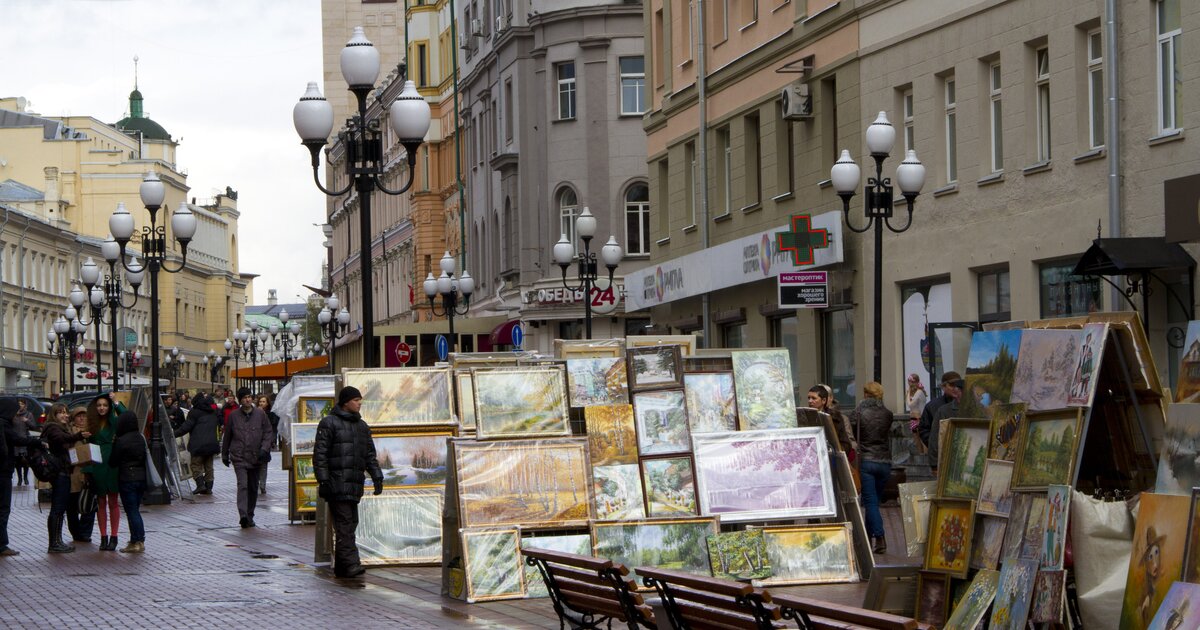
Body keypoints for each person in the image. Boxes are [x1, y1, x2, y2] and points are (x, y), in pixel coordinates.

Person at [314, 386, 383, 578]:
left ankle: (342, 567)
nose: (359, 403)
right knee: (345, 524)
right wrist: (324, 479)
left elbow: (370, 454)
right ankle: (352, 563)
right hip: (337, 484)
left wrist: (377, 476)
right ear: (345, 402)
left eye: (360, 400)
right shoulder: (329, 423)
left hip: (354, 484)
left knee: (351, 523)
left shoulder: (362, 426)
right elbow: (320, 455)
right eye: (356, 400)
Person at [848, 381, 894, 554]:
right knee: (873, 503)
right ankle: (868, 538)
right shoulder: (888, 414)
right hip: (885, 462)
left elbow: (852, 433)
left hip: (866, 461)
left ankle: (880, 537)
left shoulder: (858, 412)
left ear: (866, 394)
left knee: (870, 502)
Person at [40, 403, 90, 553]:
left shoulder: (58, 428)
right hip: (59, 472)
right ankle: (54, 543)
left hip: (63, 471)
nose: (65, 415)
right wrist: (79, 435)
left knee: (60, 509)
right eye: (61, 413)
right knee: (58, 508)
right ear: (54, 415)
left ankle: (57, 540)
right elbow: (62, 439)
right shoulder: (53, 428)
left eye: (66, 412)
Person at [221, 387, 273, 528]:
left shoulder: (260, 414)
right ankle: (243, 515)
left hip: (256, 456)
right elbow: (228, 436)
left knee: (252, 487)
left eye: (249, 397)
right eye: (244, 397)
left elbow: (268, 432)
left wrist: (264, 448)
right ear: (240, 399)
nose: (247, 399)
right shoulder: (233, 416)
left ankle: (250, 515)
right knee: (242, 485)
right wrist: (224, 454)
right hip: (239, 456)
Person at [0, 398, 43, 556]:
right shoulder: (4, 425)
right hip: (3, 472)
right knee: (3, 508)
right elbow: (17, 439)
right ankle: (2, 545)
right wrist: (37, 442)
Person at [107, 410, 148, 553]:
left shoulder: (121, 440)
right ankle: (135, 539)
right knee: (135, 510)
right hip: (141, 477)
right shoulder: (141, 438)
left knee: (132, 511)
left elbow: (113, 461)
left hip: (127, 478)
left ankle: (138, 540)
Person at [85, 394, 122, 551]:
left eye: (105, 405)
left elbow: (124, 414)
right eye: (99, 405)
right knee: (101, 502)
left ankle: (114, 536)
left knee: (113, 501)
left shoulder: (113, 421)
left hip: (112, 463)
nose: (101, 408)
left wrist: (115, 402)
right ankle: (103, 537)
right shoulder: (92, 422)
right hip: (98, 463)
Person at [174, 393, 221, 495]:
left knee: (195, 465)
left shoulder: (194, 412)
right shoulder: (212, 412)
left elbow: (186, 427)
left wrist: (173, 434)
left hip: (198, 444)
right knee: (209, 466)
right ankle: (209, 488)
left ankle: (200, 485)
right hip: (212, 444)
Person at [917, 371, 962, 474]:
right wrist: (938, 445)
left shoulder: (967, 404)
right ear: (943, 387)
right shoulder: (932, 406)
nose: (955, 388)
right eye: (952, 385)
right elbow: (924, 430)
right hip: (943, 456)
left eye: (958, 385)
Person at [66, 404, 96, 544]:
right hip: (74, 474)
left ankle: (85, 533)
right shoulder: (69, 432)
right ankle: (76, 533)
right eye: (79, 416)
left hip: (89, 474)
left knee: (89, 505)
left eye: (84, 416)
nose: (82, 418)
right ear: (74, 418)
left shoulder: (93, 431)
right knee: (72, 506)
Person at [806, 385, 855, 456]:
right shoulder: (806, 416)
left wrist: (835, 453)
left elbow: (846, 443)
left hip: (831, 459)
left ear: (823, 400)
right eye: (809, 398)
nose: (810, 401)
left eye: (814, 398)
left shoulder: (835, 418)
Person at [11, 399, 40, 486]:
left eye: (22, 404)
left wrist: (26, 420)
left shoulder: (29, 414)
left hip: (25, 440)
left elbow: (34, 426)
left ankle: (25, 477)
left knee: (26, 461)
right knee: (17, 461)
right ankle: (19, 478)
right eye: (19, 404)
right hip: (16, 440)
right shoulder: (13, 414)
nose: (20, 405)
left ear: (25, 406)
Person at [256, 394, 279, 495]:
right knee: (255, 464)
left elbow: (274, 429)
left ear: (267, 403)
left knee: (264, 464)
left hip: (266, 442)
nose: (261, 403)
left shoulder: (271, 414)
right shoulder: (254, 413)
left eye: (263, 402)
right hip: (255, 442)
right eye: (260, 402)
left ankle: (262, 485)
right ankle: (256, 484)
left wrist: (272, 441)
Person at [905, 374, 928, 452]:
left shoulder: (919, 392)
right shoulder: (915, 392)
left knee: (921, 439)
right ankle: (921, 454)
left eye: (911, 382)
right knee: (916, 439)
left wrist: (908, 394)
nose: (909, 383)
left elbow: (910, 404)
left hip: (918, 418)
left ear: (915, 382)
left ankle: (925, 456)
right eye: (909, 381)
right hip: (913, 418)